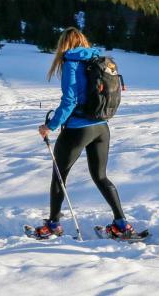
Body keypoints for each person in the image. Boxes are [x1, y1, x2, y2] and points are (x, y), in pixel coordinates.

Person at [32, 27, 134, 239]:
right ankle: (121, 224)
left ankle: (53, 225)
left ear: (64, 44)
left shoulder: (71, 62)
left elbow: (69, 101)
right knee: (100, 176)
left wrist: (49, 126)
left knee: (59, 176)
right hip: (101, 127)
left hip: (78, 129)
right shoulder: (98, 59)